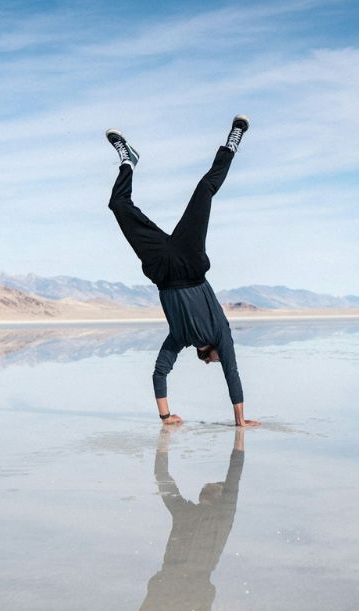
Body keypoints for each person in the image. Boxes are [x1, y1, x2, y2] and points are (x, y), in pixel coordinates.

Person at [105, 116, 259, 427]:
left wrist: (165, 416)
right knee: (205, 189)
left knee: (118, 206)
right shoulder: (221, 333)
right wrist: (240, 420)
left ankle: (127, 161)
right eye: (217, 360)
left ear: (205, 356)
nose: (217, 362)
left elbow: (160, 372)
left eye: (212, 361)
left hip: (162, 271)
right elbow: (232, 372)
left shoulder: (180, 338)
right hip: (189, 263)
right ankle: (234, 139)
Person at [129, 426, 248, 611]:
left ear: (204, 495)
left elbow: (162, 476)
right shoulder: (223, 516)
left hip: (170, 586)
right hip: (194, 592)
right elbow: (234, 476)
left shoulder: (185, 512)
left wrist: (164, 437)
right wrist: (240, 434)